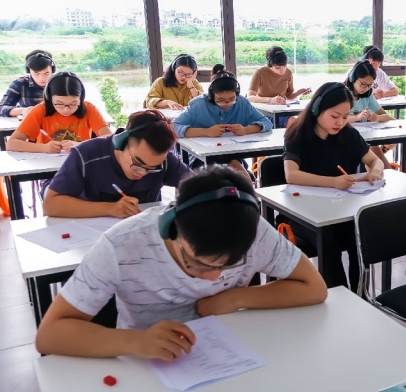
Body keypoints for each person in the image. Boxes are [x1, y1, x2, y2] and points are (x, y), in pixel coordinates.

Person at [35, 165, 328, 359]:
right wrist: (133, 342)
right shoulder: (121, 245)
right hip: (150, 362)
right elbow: (49, 335)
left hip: (233, 350)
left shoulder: (251, 230)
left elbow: (314, 287)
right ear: (169, 228)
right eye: (197, 263)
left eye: (229, 266)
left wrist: (237, 297)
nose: (212, 280)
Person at [283, 82, 385, 291]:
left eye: (345, 116)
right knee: (327, 238)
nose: (340, 122)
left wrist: (374, 170)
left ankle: (361, 294)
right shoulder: (297, 134)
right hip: (302, 211)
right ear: (317, 108)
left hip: (339, 209)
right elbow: (291, 175)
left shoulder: (348, 135)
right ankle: (339, 295)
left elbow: (375, 161)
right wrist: (334, 182)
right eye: (334, 116)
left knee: (359, 235)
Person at [43, 110, 190, 219]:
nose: (143, 172)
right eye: (138, 163)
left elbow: (201, 187)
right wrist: (110, 208)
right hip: (90, 237)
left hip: (141, 236)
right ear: (121, 142)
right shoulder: (86, 155)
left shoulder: (164, 160)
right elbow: (51, 205)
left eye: (153, 168)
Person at [173, 64, 273, 167]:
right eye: (220, 100)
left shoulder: (242, 103)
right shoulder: (199, 105)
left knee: (234, 165)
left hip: (232, 154)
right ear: (212, 95)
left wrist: (246, 130)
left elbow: (266, 122)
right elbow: (173, 127)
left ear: (237, 94)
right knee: (218, 171)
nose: (227, 104)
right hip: (201, 157)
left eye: (231, 99)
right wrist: (206, 132)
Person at [7, 72, 111, 154]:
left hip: (81, 164)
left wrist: (81, 145)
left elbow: (109, 137)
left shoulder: (88, 108)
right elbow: (11, 144)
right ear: (49, 98)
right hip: (48, 166)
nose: (66, 109)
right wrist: (44, 148)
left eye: (73, 104)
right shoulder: (40, 110)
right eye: (59, 104)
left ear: (81, 99)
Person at [344, 60, 395, 168]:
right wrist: (357, 117)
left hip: (365, 139)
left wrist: (377, 117)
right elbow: (339, 120)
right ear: (353, 78)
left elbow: (388, 117)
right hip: (346, 138)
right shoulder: (343, 94)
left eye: (369, 85)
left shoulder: (367, 96)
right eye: (363, 84)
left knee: (385, 168)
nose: (366, 88)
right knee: (374, 158)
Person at [246, 47, 311, 125]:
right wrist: (270, 100)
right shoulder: (260, 73)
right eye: (278, 67)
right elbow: (250, 98)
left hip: (281, 109)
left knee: (307, 121)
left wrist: (298, 93)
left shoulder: (288, 73)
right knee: (294, 123)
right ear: (270, 65)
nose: (282, 70)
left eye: (285, 66)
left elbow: (289, 96)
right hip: (264, 111)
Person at [0, 50, 55, 117]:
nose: (42, 78)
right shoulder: (20, 83)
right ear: (29, 71)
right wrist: (22, 111)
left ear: (52, 70)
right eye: (36, 73)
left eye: (46, 73)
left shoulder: (61, 82)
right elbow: (1, 108)